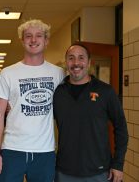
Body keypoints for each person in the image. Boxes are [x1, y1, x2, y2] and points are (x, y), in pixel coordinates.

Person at [0, 19, 65, 182]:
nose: (33, 40)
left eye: (39, 36)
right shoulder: (8, 73)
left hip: (44, 152)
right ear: (22, 40)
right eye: (28, 36)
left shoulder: (58, 74)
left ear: (46, 41)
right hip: (12, 150)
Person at [53, 43, 128, 182]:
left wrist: (118, 164)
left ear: (88, 63)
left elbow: (121, 127)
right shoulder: (57, 93)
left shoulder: (106, 91)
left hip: (99, 171)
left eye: (81, 58)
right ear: (66, 63)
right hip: (64, 171)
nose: (76, 63)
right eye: (71, 58)